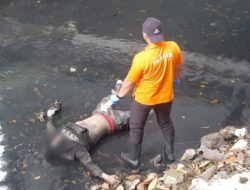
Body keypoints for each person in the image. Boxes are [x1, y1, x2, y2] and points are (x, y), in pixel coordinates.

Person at [111, 17, 183, 167]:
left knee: (136, 127)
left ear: (145, 35)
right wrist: (175, 80)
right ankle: (170, 153)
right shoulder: (173, 47)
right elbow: (177, 67)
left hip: (144, 99)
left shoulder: (141, 58)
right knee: (165, 122)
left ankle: (133, 159)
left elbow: (129, 82)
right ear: (161, 33)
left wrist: (118, 96)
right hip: (165, 96)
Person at [43, 93, 130, 186]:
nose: (55, 140)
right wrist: (107, 177)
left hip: (100, 110)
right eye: (54, 144)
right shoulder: (75, 149)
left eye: (52, 142)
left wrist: (50, 116)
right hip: (114, 121)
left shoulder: (54, 136)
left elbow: (50, 127)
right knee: (142, 112)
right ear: (59, 151)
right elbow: (90, 165)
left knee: (115, 94)